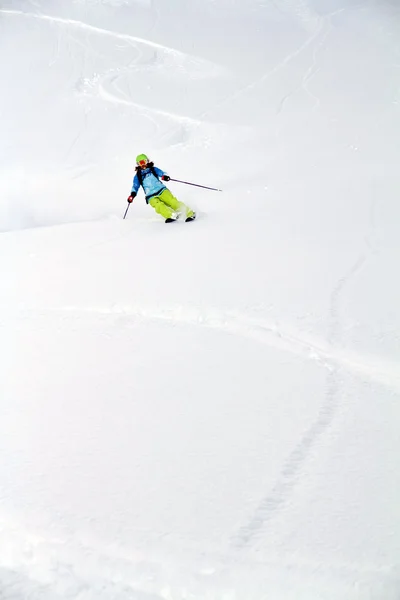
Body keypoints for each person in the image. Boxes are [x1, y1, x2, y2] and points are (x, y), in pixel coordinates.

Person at [127, 154, 196, 223]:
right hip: (150, 195)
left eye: (144, 162)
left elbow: (162, 173)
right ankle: (171, 215)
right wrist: (132, 195)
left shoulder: (153, 169)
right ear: (138, 164)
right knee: (158, 206)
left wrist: (164, 176)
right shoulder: (138, 176)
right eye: (140, 163)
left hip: (161, 190)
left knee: (172, 201)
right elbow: (135, 186)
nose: (143, 165)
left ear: (147, 161)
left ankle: (189, 213)